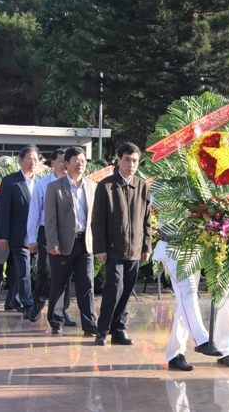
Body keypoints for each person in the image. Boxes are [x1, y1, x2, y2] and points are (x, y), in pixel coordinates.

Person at [154, 237, 229, 370]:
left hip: (206, 245)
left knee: (225, 295)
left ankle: (225, 350)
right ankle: (200, 342)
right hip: (175, 246)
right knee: (187, 295)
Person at [92, 142, 152, 346]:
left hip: (134, 250)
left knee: (126, 291)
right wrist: (99, 248)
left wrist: (146, 246)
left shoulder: (142, 186)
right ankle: (103, 330)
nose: (131, 164)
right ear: (118, 160)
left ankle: (119, 329)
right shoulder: (106, 186)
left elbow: (147, 220)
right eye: (127, 159)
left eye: (135, 160)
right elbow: (97, 220)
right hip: (112, 249)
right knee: (113, 288)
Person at [44, 147, 97, 335]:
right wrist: (52, 242)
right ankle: (56, 321)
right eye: (76, 160)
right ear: (66, 164)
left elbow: (96, 218)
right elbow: (50, 219)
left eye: (83, 160)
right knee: (59, 283)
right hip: (63, 243)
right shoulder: (54, 188)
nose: (80, 163)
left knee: (86, 283)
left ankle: (90, 323)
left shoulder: (92, 186)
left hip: (85, 242)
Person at [27, 149, 76, 325]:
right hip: (46, 231)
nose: (64, 164)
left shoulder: (74, 184)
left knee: (66, 272)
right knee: (45, 270)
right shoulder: (43, 185)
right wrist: (32, 238)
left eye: (67, 160)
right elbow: (34, 212)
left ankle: (62, 311)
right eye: (62, 160)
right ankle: (36, 306)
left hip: (67, 233)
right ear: (53, 163)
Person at [0, 146, 40, 319]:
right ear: (20, 160)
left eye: (36, 159)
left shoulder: (41, 182)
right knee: (23, 269)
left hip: (37, 235)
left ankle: (13, 300)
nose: (32, 162)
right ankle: (27, 304)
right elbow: (4, 210)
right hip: (18, 234)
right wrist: (2, 234)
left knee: (28, 270)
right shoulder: (10, 181)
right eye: (29, 158)